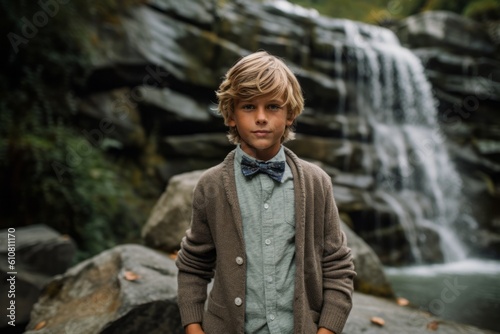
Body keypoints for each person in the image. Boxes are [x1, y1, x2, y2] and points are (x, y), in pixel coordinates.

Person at [176, 50, 356, 334]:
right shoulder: (210, 186)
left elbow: (338, 266)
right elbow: (193, 264)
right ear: (231, 115)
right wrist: (193, 327)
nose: (261, 118)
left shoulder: (316, 182)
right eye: (248, 107)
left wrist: (327, 330)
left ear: (290, 115)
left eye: (273, 106)